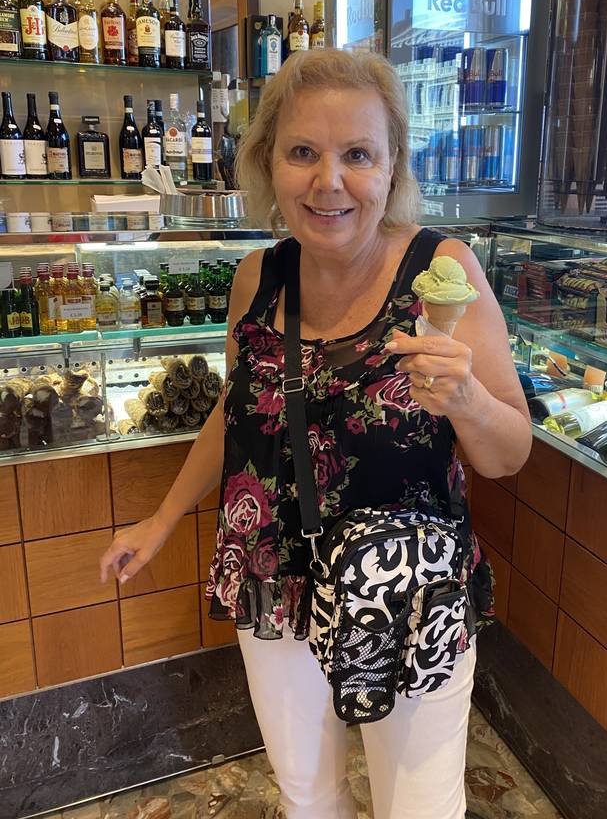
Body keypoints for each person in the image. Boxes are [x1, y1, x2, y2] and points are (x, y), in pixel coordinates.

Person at [100, 49, 531, 819]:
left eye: (357, 154)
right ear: (270, 162)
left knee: (422, 808)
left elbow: (508, 455)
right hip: (275, 575)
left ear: (392, 163)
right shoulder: (257, 278)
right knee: (308, 796)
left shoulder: (444, 269)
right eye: (303, 152)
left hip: (409, 591)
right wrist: (162, 518)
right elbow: (239, 411)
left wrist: (465, 399)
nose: (329, 181)